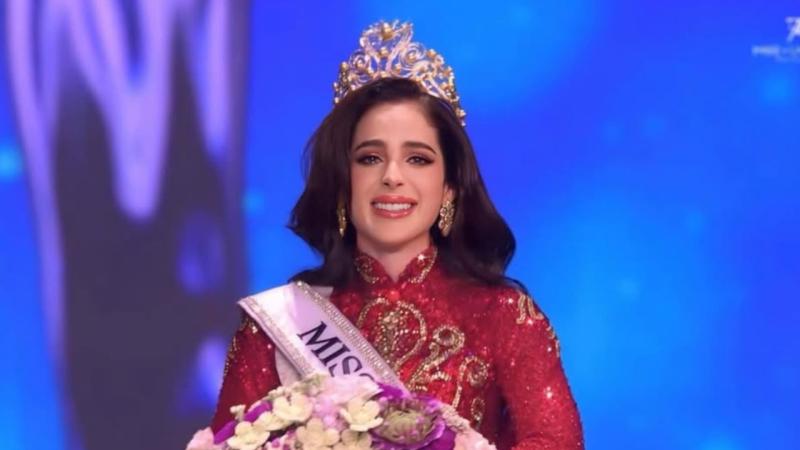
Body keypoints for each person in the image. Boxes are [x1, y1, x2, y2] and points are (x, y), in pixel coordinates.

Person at [211, 20, 584, 449]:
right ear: (342, 181)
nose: (392, 176)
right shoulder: (276, 327)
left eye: (418, 159)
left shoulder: (503, 316)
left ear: (449, 186)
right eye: (370, 158)